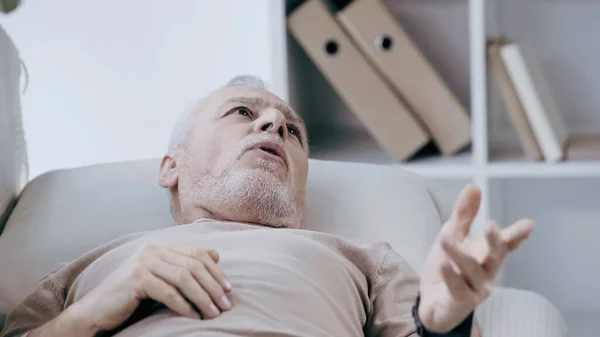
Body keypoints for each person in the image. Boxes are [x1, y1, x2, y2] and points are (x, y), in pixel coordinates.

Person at [1, 75, 534, 337]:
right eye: (241, 111)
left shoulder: (366, 260)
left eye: (293, 130)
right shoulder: (90, 270)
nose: (275, 125)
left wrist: (444, 325)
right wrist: (94, 311)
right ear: (171, 167)